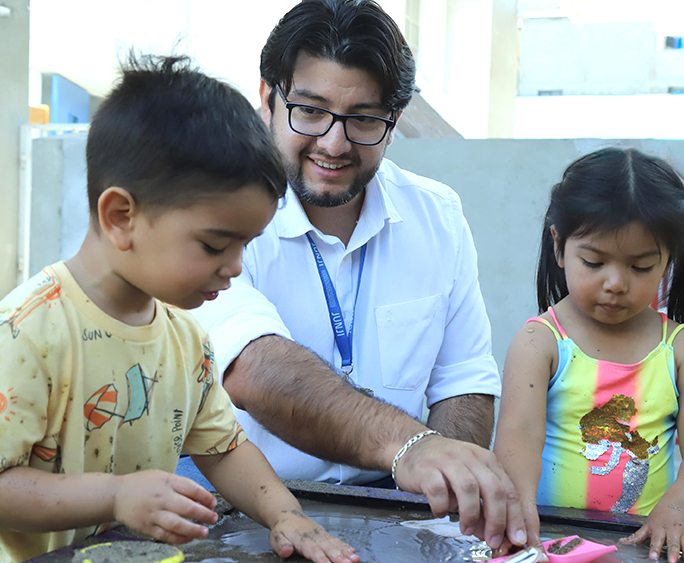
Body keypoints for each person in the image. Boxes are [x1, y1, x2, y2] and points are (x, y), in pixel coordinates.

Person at [0, 54, 358, 563]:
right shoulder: (24, 334)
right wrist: (116, 496)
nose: (235, 268)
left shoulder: (185, 338)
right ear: (121, 216)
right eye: (216, 246)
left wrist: (287, 516)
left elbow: (225, 448)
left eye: (246, 245)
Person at [189, 0, 527, 553]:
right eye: (311, 110)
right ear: (268, 97)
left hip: (393, 508)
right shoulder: (214, 212)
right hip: (239, 505)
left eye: (364, 118)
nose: (333, 143)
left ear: (394, 123)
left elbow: (463, 380)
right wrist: (410, 445)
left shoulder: (436, 216)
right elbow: (252, 368)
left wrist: (442, 491)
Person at [494, 148, 684, 563]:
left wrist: (677, 507)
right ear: (559, 246)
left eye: (641, 267)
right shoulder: (541, 343)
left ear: (667, 261)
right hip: (551, 542)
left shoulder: (681, 351)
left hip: (643, 547)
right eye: (594, 261)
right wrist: (518, 512)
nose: (616, 283)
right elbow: (519, 434)